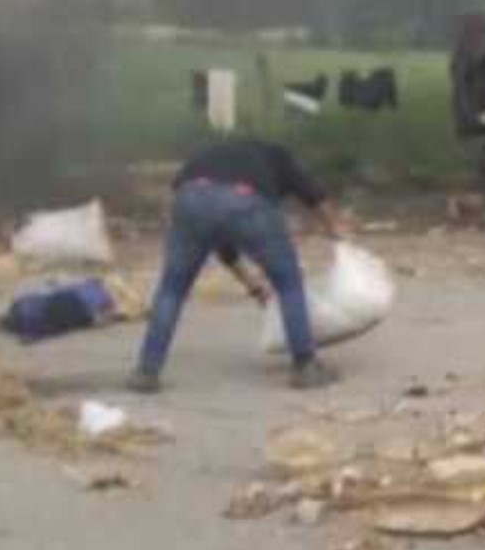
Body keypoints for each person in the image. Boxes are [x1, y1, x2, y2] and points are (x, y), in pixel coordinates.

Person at [128, 139, 350, 393]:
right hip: (245, 200)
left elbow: (219, 237)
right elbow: (314, 194)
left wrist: (251, 284)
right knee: (288, 281)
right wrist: (335, 229)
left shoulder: (211, 153)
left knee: (172, 289)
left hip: (189, 198)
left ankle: (146, 371)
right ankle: (305, 367)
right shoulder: (278, 154)